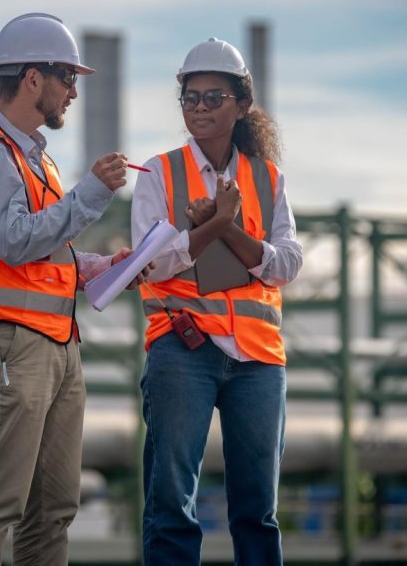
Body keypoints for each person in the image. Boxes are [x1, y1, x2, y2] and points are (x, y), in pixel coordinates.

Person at [0, 12, 148, 566]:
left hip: (54, 344)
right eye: (68, 78)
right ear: (33, 78)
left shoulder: (36, 161)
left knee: (52, 510)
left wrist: (104, 267)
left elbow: (43, 255)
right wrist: (90, 195)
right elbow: (14, 241)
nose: (73, 92)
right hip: (11, 346)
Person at [131, 37, 303, 564]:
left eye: (213, 97)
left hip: (257, 359)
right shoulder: (159, 173)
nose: (199, 108)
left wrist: (226, 227)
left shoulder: (267, 178)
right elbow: (152, 264)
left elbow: (288, 263)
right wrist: (214, 230)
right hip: (183, 348)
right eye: (190, 98)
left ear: (242, 105)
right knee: (171, 503)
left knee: (258, 512)